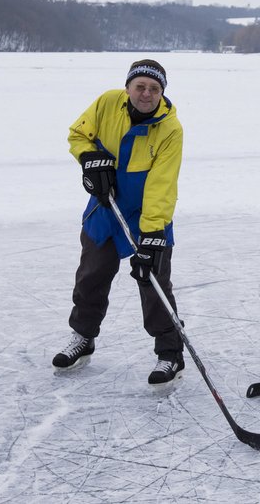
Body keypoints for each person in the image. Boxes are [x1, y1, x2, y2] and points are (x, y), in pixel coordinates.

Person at [51, 59, 185, 385]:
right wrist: (88, 159)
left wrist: (152, 235)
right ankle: (83, 337)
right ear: (127, 88)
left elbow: (162, 185)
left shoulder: (170, 129)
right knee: (91, 276)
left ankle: (170, 354)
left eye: (154, 89)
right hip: (106, 209)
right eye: (140, 86)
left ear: (161, 93)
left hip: (146, 215)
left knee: (153, 282)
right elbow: (78, 134)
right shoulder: (108, 103)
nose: (146, 93)